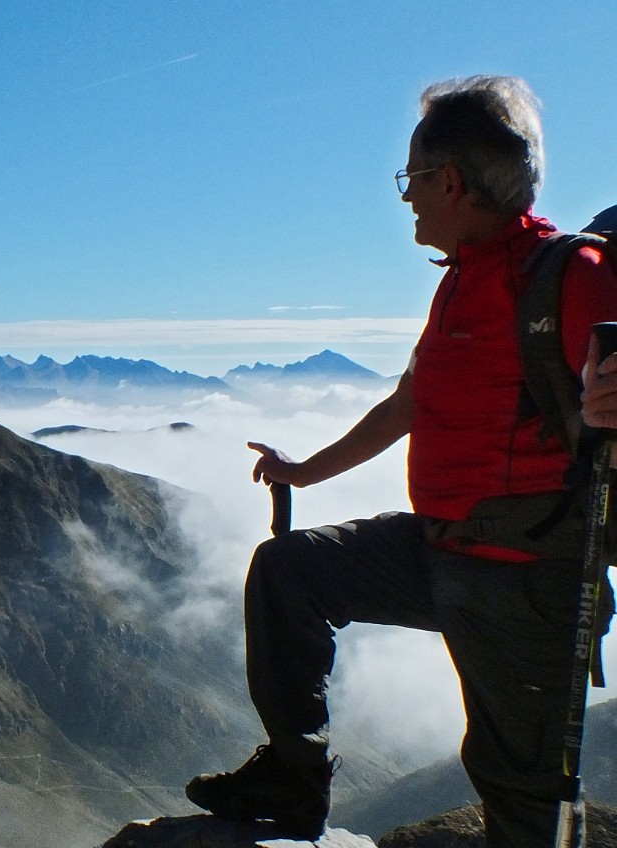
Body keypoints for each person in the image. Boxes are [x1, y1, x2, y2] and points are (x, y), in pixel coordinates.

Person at [183, 76, 617, 846]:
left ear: (451, 182)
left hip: (523, 578)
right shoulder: (463, 280)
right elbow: (406, 407)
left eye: (412, 179)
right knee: (289, 573)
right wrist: (303, 470)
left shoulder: (567, 274)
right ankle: (293, 782)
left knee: (517, 783)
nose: (407, 199)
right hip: (441, 544)